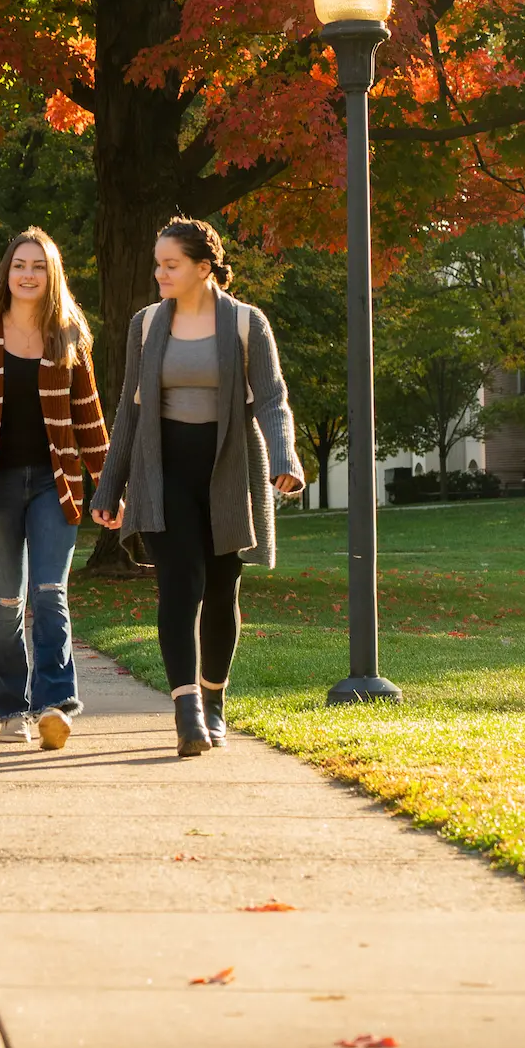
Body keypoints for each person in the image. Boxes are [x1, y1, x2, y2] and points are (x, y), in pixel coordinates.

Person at [90, 218, 304, 757]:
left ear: (203, 268)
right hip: (163, 471)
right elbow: (129, 411)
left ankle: (213, 702)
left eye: (170, 265)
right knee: (180, 583)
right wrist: (108, 488)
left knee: (221, 588)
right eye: (158, 264)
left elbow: (273, 400)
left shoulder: (245, 324)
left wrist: (286, 459)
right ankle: (186, 710)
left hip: (230, 470)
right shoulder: (145, 326)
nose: (159, 273)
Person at [0, 228, 109, 750]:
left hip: (53, 486)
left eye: (38, 265)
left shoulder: (69, 338)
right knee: (7, 601)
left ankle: (55, 705)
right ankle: (12, 708)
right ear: (6, 274)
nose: (28, 274)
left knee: (50, 592)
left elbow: (89, 419)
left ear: (51, 274)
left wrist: (107, 485)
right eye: (20, 265)